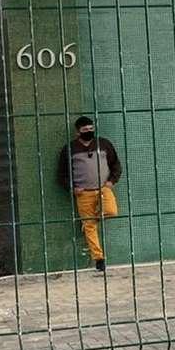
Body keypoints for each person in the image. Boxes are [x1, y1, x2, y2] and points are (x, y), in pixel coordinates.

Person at [57, 116, 122, 272]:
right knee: (89, 227)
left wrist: (111, 181)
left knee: (111, 211)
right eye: (85, 130)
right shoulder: (70, 148)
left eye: (91, 128)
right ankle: (99, 258)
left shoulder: (104, 144)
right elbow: (62, 174)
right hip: (83, 193)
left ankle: (94, 217)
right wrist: (72, 188)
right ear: (77, 132)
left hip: (103, 189)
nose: (89, 131)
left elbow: (116, 164)